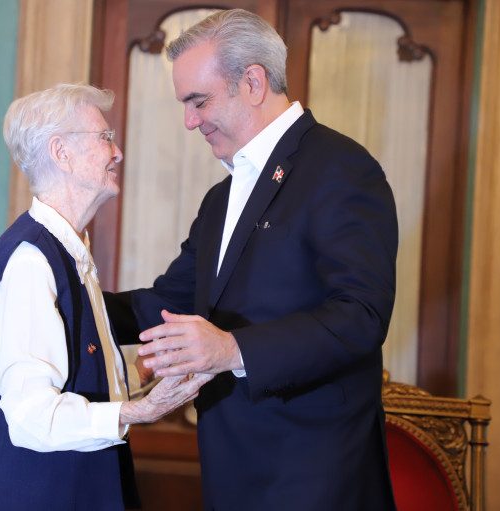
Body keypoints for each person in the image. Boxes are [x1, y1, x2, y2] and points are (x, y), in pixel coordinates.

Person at [105, 9, 399, 510]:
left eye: (199, 101)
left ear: (254, 83)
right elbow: (172, 302)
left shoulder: (342, 168)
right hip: (232, 471)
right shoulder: (221, 197)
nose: (189, 121)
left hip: (315, 477)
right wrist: (68, 299)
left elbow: (361, 315)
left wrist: (230, 349)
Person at [0, 84, 211, 511]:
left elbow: (71, 377)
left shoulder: (64, 249)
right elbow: (32, 416)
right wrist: (138, 411)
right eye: (105, 137)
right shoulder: (28, 261)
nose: (117, 152)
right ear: (60, 153)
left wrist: (134, 378)